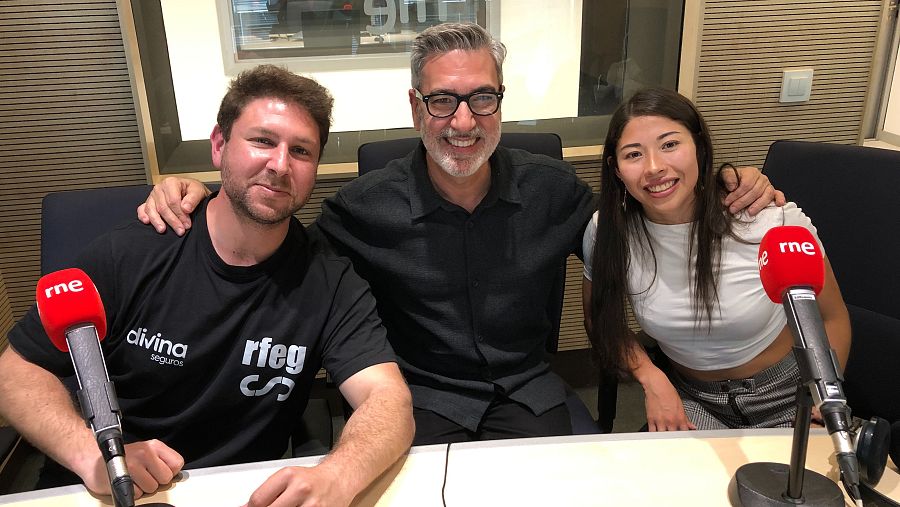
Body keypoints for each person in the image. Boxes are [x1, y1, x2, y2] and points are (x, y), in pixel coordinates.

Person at [138, 24, 779, 445]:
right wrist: (207, 194)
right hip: (420, 403)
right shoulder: (362, 209)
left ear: (502, 102)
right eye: (443, 101)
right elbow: (275, 240)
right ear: (416, 107)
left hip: (531, 394)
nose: (463, 121)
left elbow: (643, 216)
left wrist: (726, 180)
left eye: (483, 98)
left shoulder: (554, 191)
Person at [0, 65, 413, 506]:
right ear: (219, 145)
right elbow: (15, 371)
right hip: (115, 489)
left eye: (301, 151)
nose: (279, 164)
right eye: (262, 141)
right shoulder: (132, 253)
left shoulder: (331, 281)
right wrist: (90, 455)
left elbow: (387, 399)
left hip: (243, 492)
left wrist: (339, 474)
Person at [582, 87, 850, 431]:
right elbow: (602, 320)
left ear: (699, 147)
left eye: (669, 145)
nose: (654, 167)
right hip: (691, 400)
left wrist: (824, 396)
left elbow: (831, 317)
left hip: (791, 393)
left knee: (815, 482)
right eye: (633, 154)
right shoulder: (607, 231)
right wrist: (650, 377)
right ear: (616, 169)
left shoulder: (767, 218)